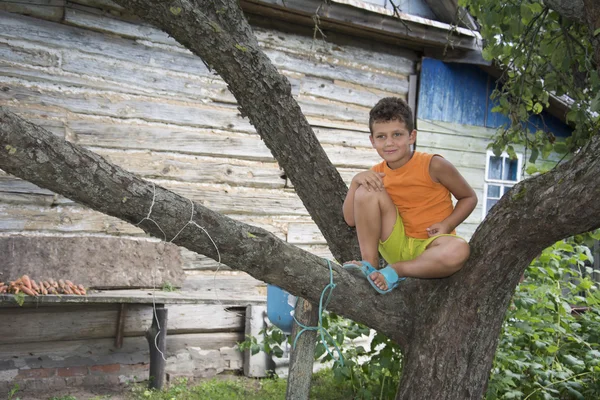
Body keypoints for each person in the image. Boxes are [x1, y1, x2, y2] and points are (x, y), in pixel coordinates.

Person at [342, 97, 477, 294]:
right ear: (372, 141)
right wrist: (355, 182)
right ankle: (370, 265)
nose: (389, 143)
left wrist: (447, 225)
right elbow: (351, 219)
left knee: (460, 249)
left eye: (397, 134)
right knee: (367, 188)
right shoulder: (376, 173)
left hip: (432, 246)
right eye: (381, 136)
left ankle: (397, 270)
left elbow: (469, 197)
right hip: (396, 242)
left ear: (411, 136)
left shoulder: (434, 165)